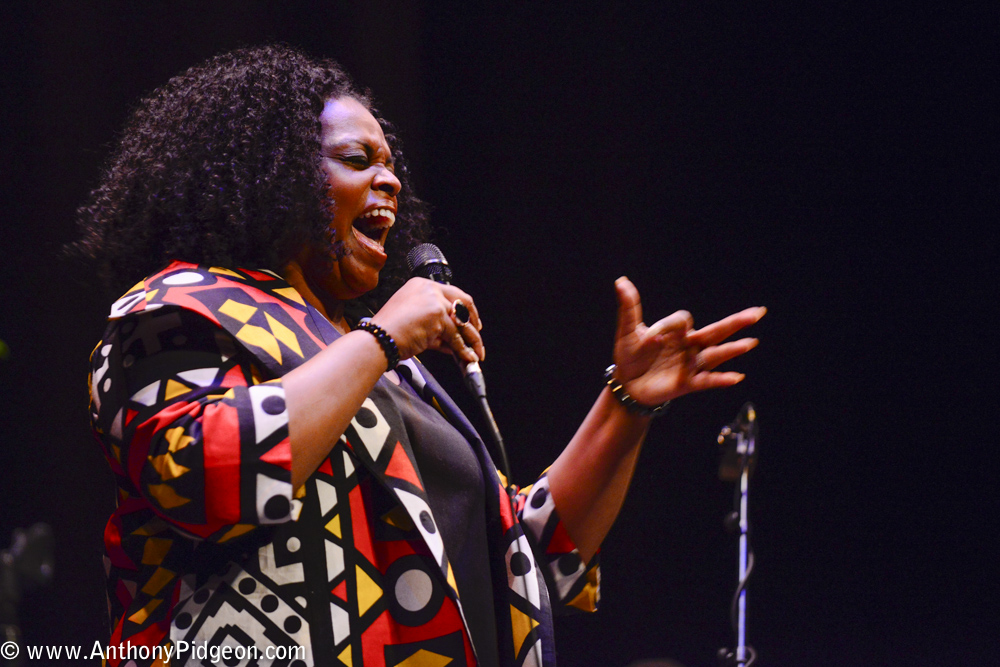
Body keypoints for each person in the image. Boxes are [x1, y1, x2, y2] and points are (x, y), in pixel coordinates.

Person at [75, 45, 765, 667]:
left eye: (392, 165)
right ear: (273, 177)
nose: (392, 183)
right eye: (357, 160)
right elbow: (203, 477)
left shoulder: (382, 371)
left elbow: (526, 557)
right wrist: (381, 337)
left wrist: (628, 402)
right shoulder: (182, 307)